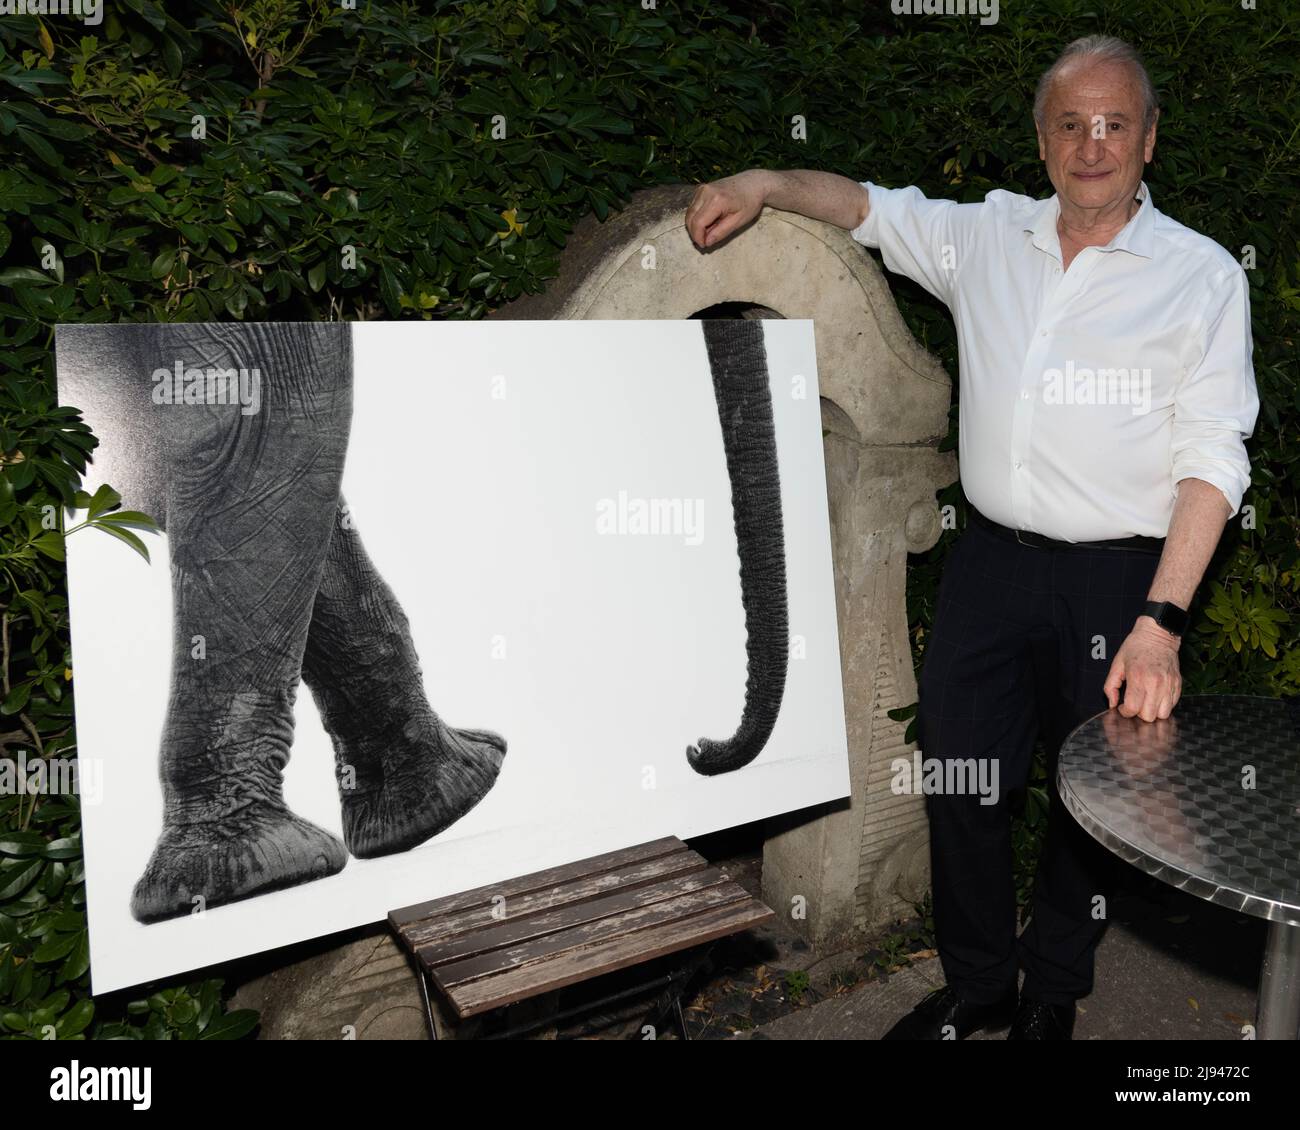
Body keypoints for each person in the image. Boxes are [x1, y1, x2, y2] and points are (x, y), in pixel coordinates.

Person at [684, 34, 1258, 1040]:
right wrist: (767, 178)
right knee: (960, 775)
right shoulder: (986, 236)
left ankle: (1051, 994)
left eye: (1114, 123)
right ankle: (979, 980)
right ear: (1041, 142)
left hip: (1123, 580)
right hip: (990, 566)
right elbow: (863, 206)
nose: (1092, 144)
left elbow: (1214, 460)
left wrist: (1160, 620)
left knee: (1097, 807)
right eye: (1069, 123)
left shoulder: (1200, 278)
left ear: (1150, 139)